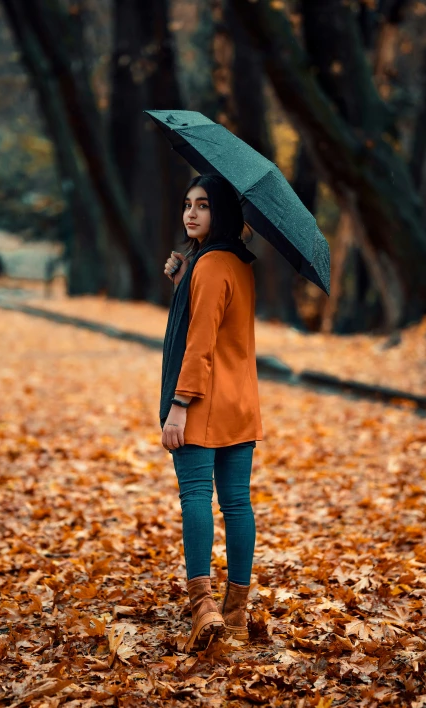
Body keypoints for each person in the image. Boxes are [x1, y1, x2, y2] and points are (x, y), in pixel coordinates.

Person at [161, 174, 263, 653]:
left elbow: (199, 342)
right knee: (237, 504)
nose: (191, 213)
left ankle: (204, 609)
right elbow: (220, 328)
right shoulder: (239, 264)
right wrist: (184, 280)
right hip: (240, 403)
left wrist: (179, 406)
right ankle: (238, 616)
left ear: (221, 212)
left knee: (197, 498)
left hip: (201, 403)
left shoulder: (208, 266)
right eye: (187, 204)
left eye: (203, 205)